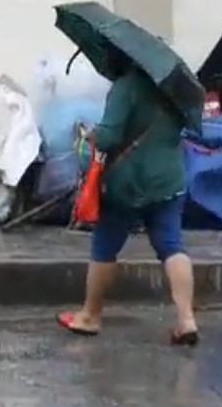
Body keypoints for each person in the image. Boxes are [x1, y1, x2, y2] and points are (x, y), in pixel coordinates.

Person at [56, 67, 199, 346]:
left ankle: (90, 316)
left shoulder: (127, 86)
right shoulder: (177, 88)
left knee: (105, 247)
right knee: (171, 245)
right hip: (169, 180)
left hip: (128, 183)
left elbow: (108, 138)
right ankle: (186, 320)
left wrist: (91, 137)